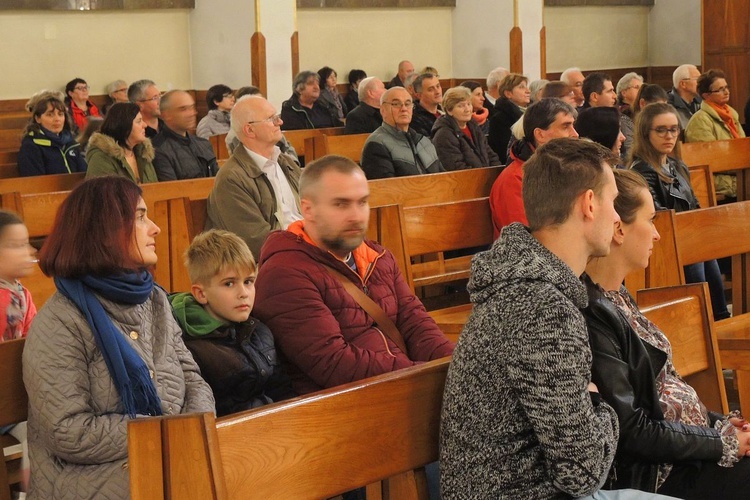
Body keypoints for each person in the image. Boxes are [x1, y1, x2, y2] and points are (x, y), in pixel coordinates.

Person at [441, 138, 628, 498]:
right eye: (614, 201)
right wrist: (601, 407)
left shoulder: (529, 287)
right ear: (589, 203)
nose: (618, 216)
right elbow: (583, 472)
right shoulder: (542, 309)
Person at [23, 176, 214, 499]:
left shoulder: (153, 300)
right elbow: (67, 431)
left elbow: (192, 379)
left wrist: (188, 433)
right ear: (105, 232)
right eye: (140, 217)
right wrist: (159, 436)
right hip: (84, 480)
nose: (155, 228)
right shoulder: (61, 322)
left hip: (167, 456)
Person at [584, 168, 750, 498]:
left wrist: (721, 423)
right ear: (619, 229)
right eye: (651, 220)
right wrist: (719, 442)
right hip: (659, 472)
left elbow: (667, 386)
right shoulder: (592, 313)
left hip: (690, 448)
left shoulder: (618, 295)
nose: (657, 235)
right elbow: (630, 430)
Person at [254, 155, 454, 396]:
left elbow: (416, 322)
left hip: (405, 388)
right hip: (343, 409)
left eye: (362, 202)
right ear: (307, 209)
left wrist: (455, 364)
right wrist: (422, 373)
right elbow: (334, 363)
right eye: (341, 204)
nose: (356, 215)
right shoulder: (284, 273)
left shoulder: (376, 256)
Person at [169, 229, 293, 417]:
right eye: (229, 283)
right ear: (201, 294)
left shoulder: (260, 330)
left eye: (249, 281)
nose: (243, 293)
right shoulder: (189, 346)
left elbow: (282, 390)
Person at [629, 102, 730, 321]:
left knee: (705, 250)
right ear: (646, 133)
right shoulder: (641, 170)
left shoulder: (677, 165)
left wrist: (702, 226)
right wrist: (690, 231)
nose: (669, 136)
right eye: (661, 130)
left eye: (674, 129)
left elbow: (694, 205)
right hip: (661, 243)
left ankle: (719, 320)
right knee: (695, 253)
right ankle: (701, 321)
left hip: (685, 237)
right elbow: (656, 215)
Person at [205, 95, 302, 259]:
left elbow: (313, 206)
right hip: (271, 261)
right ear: (249, 130)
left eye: (277, 117)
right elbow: (255, 240)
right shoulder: (232, 178)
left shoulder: (286, 163)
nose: (280, 122)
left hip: (302, 249)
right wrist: (309, 244)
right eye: (271, 119)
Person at [489, 98, 579, 238]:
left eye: (573, 125)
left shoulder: (566, 169)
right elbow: (522, 241)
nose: (575, 134)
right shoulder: (514, 180)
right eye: (565, 126)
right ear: (540, 135)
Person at [684, 69, 744, 199]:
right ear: (706, 95)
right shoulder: (700, 121)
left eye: (727, 87)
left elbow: (744, 148)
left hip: (740, 174)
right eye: (720, 89)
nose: (726, 92)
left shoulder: (731, 116)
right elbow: (710, 161)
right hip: (719, 180)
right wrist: (743, 169)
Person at [360, 86, 444, 179]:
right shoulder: (376, 144)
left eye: (408, 104)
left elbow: (444, 178)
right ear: (383, 110)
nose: (404, 109)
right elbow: (386, 188)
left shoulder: (423, 141)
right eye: (396, 104)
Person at [152, 90, 218, 181]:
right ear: (166, 115)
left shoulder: (203, 144)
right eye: (183, 109)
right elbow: (172, 191)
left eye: (192, 107)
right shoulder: (158, 150)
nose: (192, 113)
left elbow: (218, 180)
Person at [85, 102, 158, 183]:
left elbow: (155, 187)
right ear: (124, 126)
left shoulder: (143, 152)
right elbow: (103, 193)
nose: (145, 125)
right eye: (139, 121)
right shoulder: (101, 158)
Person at [431, 86, 501, 170]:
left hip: (484, 178)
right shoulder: (443, 135)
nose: (467, 109)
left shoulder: (474, 127)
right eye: (461, 106)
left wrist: (496, 173)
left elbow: (491, 155)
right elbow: (457, 168)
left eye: (469, 104)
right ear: (449, 110)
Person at [18, 94, 87, 176]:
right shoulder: (31, 146)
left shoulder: (70, 142)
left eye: (60, 114)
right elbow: (34, 182)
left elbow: (85, 173)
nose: (57, 119)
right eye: (50, 115)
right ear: (38, 118)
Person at [0, 210, 37, 341]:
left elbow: (34, 341)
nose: (31, 251)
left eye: (26, 243)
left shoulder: (22, 294)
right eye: (17, 245)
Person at [488, 73, 530, 162]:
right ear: (508, 93)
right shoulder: (499, 119)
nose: (528, 91)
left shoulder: (533, 113)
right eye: (521, 87)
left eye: (526, 86)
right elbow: (505, 152)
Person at [668, 64, 702, 129]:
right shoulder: (669, 107)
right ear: (683, 84)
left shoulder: (702, 103)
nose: (701, 83)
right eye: (697, 79)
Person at [410, 73, 444, 137]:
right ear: (419, 95)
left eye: (438, 86)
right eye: (431, 89)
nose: (437, 92)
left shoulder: (444, 112)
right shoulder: (415, 118)